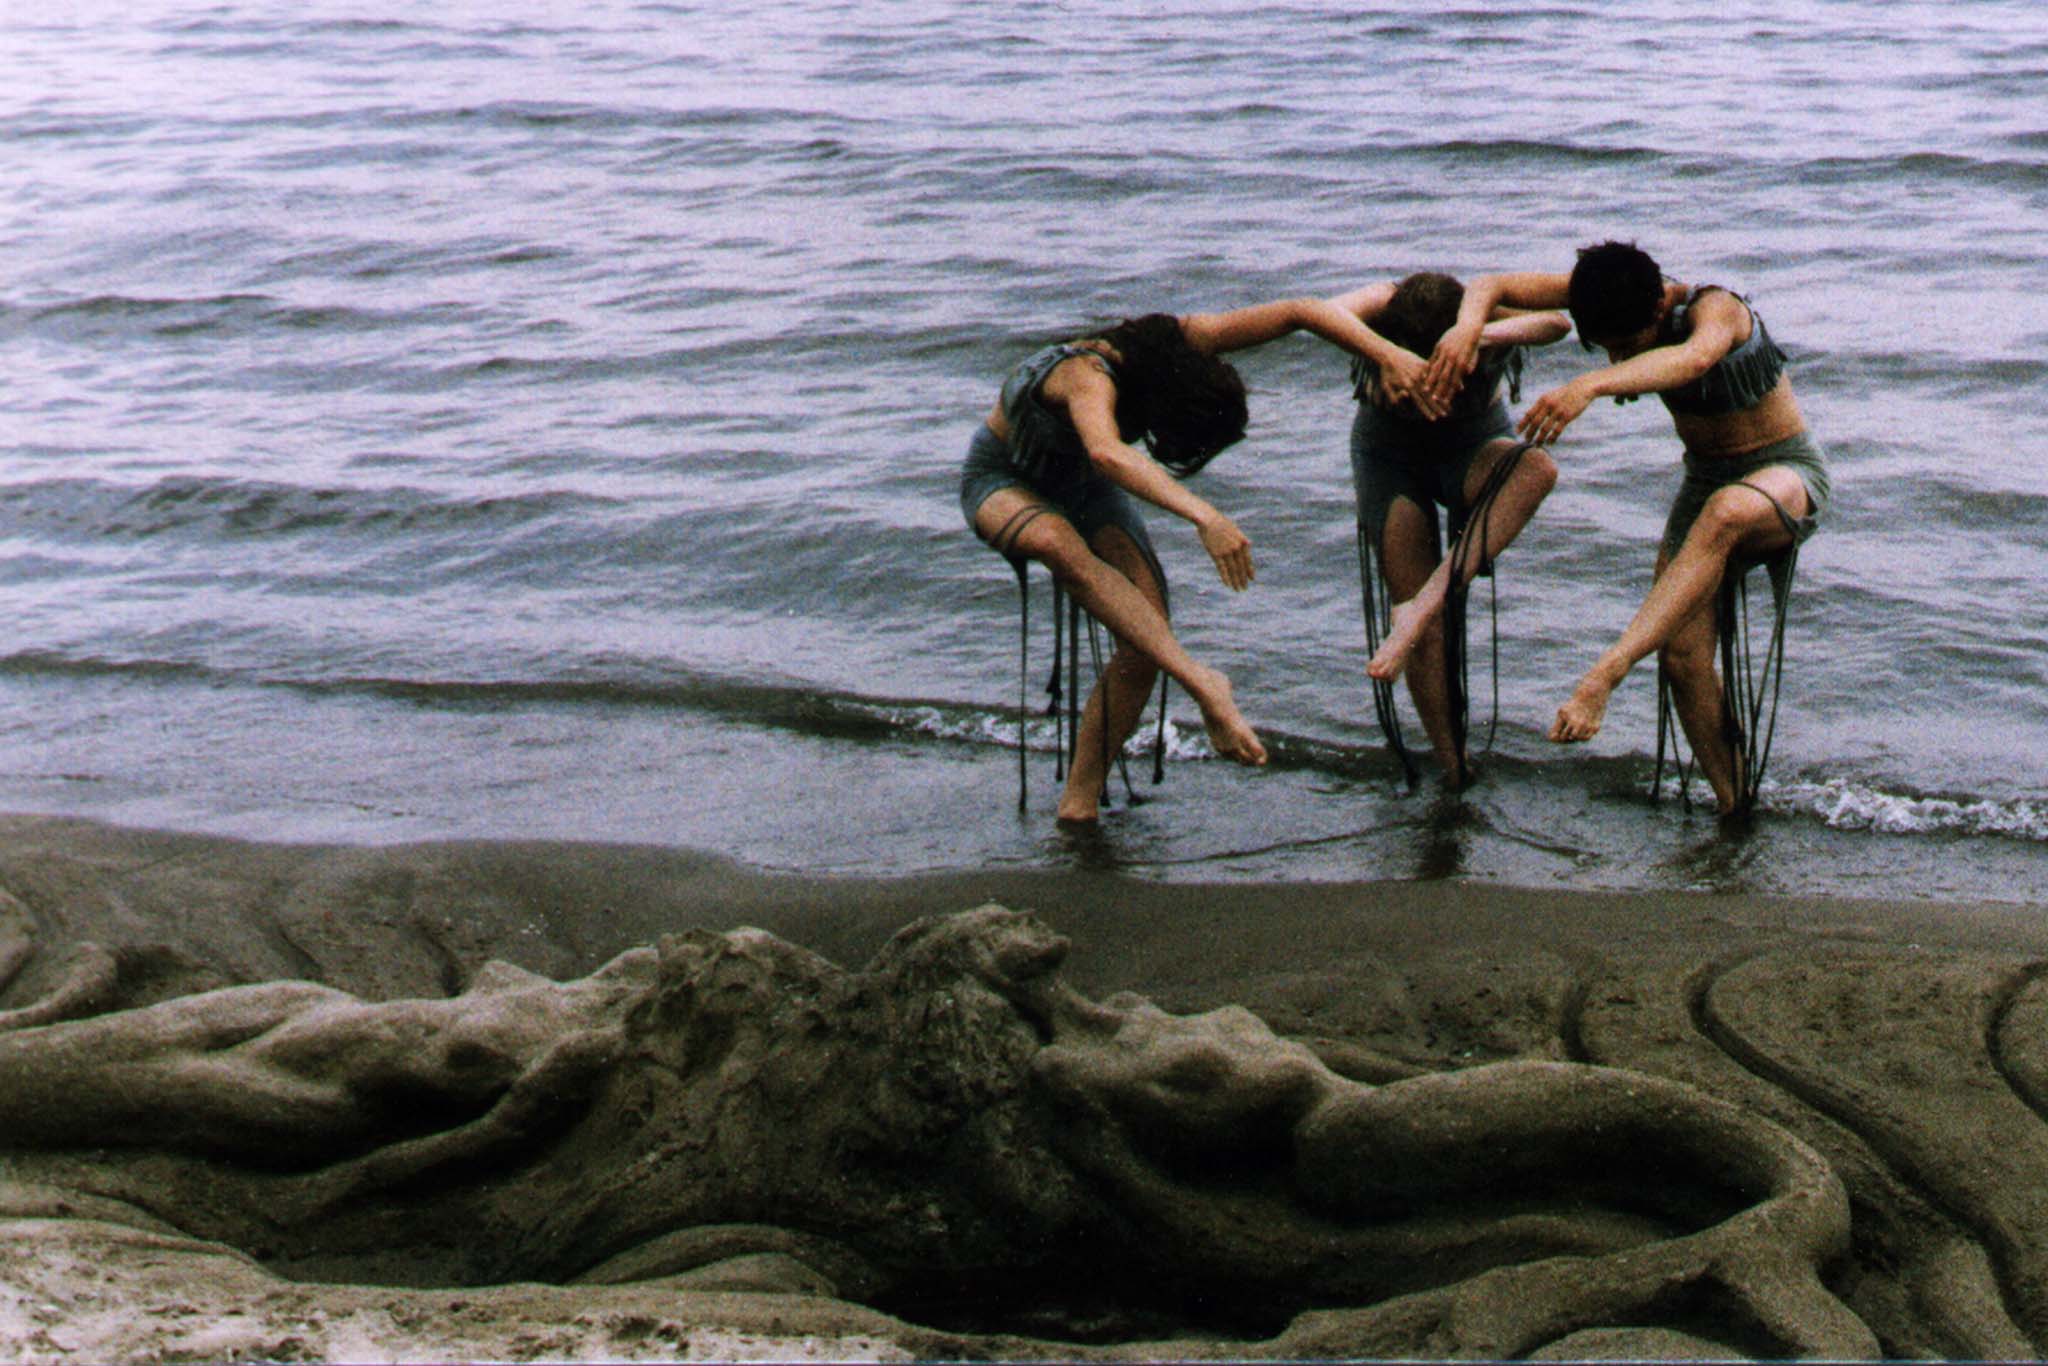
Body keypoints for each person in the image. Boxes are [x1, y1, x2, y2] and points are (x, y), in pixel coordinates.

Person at [963, 299, 1442, 822]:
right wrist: (1203, 515)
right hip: (1005, 478)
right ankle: (1204, 685)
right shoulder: (1085, 374)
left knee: (1146, 639)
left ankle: (1078, 806)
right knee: (1060, 548)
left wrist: (1387, 353)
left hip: (1083, 485)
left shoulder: (1183, 342)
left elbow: (1300, 313)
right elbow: (1107, 451)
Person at [1427, 242, 1832, 814]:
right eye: (1608, 351)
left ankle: (1605, 674)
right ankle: (1734, 807)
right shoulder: (1605, 289)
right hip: (1706, 482)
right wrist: (1466, 329)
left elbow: (1693, 360)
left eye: (1625, 347)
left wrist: (1587, 385)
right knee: (1682, 660)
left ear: (1657, 305)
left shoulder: (1714, 309)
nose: (1618, 361)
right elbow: (1490, 283)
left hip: (1785, 471)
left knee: (1725, 514)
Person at [1330, 272, 1569, 787]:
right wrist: (1386, 357)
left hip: (1473, 442)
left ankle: (1425, 606)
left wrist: (1476, 334)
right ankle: (1453, 766)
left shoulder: (1479, 317)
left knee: (1538, 469)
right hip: (1389, 454)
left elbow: (1557, 323)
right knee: (1426, 629)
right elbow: (1321, 311)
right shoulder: (1382, 300)